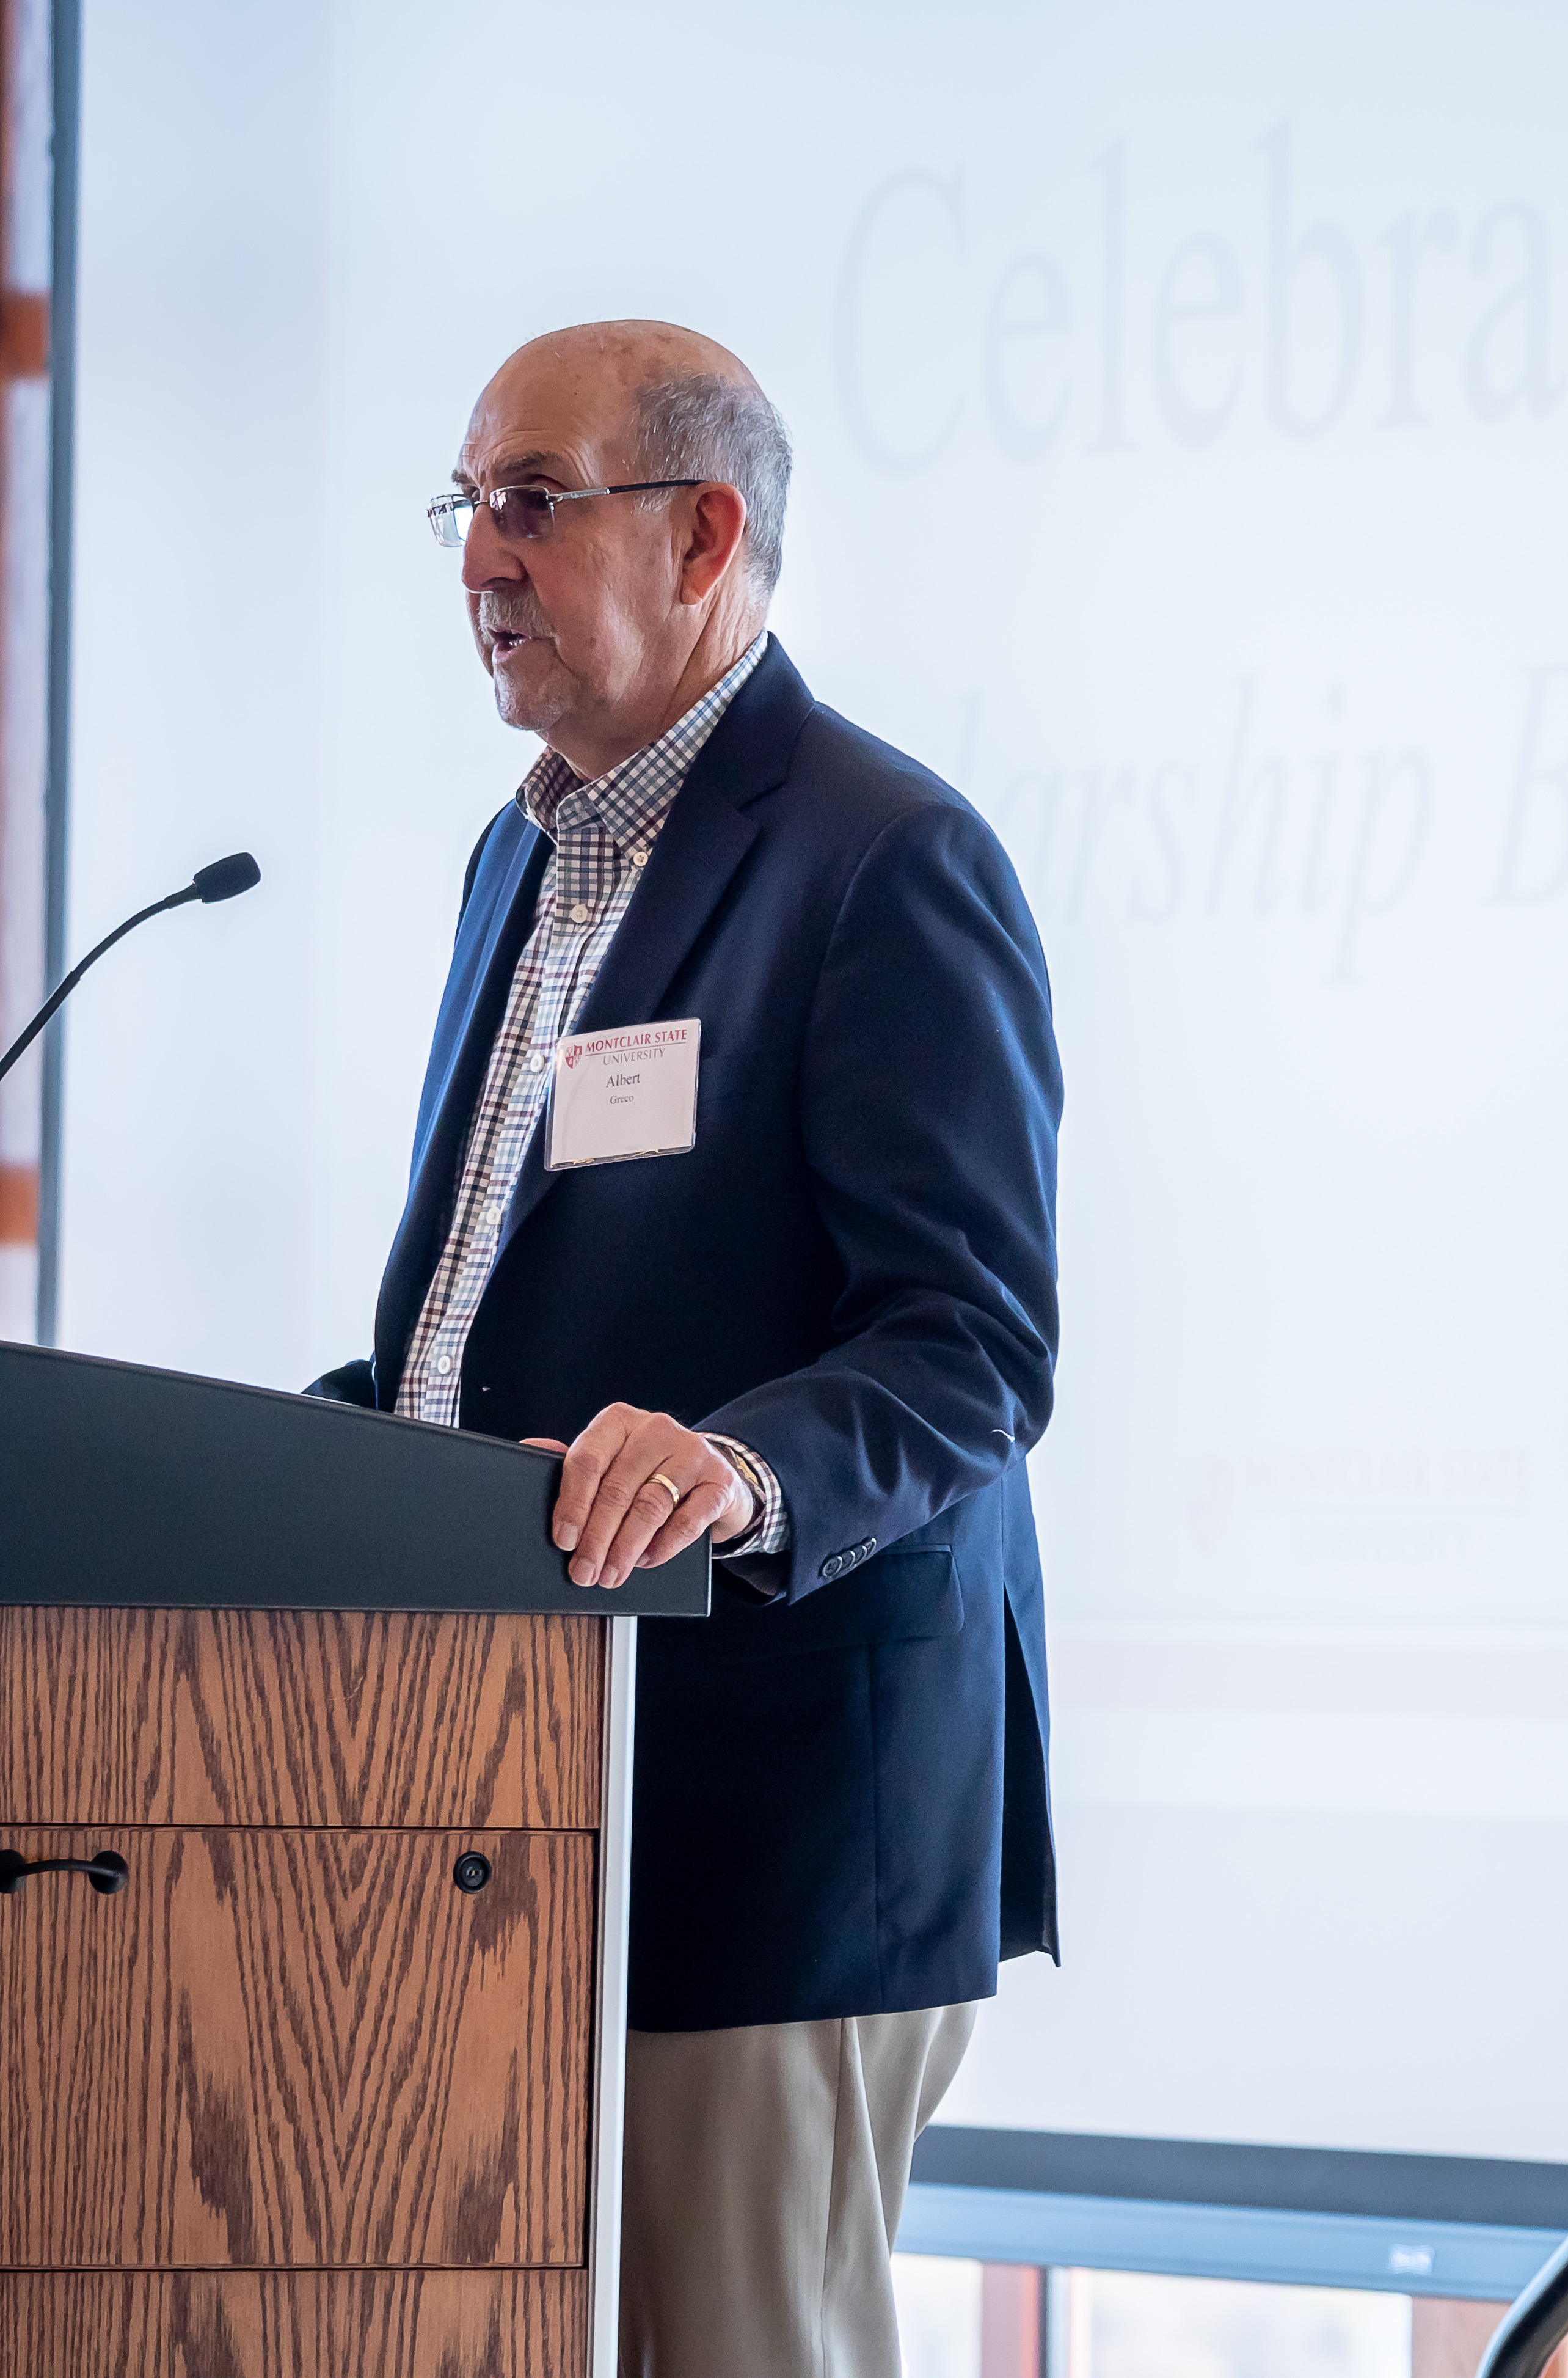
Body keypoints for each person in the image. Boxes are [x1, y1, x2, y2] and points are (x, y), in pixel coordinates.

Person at [308, 320, 1063, 2378]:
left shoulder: (883, 859)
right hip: (517, 1775)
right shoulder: (517, 857)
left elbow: (973, 1339)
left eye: (531, 501)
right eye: (467, 504)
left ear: (706, 529)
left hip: (777, 1812)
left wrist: (738, 1466)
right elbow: (485, 1302)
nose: (480, 554)